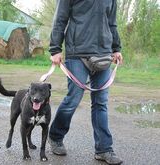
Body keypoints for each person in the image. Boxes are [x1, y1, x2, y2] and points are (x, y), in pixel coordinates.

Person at [48, 0, 123, 165]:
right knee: (73, 99)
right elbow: (60, 19)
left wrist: (116, 48)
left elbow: (112, 23)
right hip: (78, 54)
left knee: (100, 103)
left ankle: (104, 149)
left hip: (104, 54)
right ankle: (55, 136)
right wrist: (55, 48)